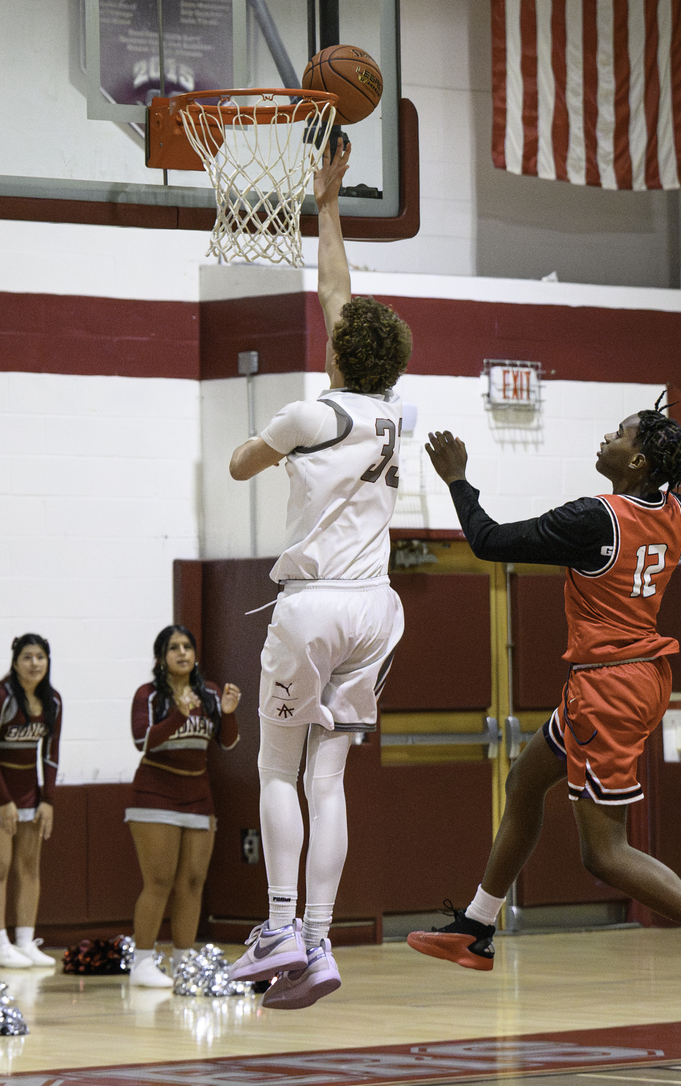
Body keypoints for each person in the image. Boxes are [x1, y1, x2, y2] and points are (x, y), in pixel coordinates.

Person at [409, 405, 681, 1036]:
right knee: (526, 782)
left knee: (603, 854)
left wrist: (457, 478)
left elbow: (487, 541)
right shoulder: (675, 514)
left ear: (637, 460)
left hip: (608, 689)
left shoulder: (594, 519)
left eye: (618, 434)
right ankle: (476, 927)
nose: (606, 437)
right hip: (630, 676)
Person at [224, 142, 413, 1010]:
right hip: (379, 609)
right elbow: (341, 295)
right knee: (328, 778)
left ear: (337, 351)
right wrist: (326, 207)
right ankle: (323, 940)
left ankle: (278, 927)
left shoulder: (310, 412)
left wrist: (265, 445)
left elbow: (236, 465)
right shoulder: (397, 413)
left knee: (276, 768)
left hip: (312, 607)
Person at [125, 625, 240, 988]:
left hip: (198, 796)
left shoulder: (210, 692)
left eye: (187, 646)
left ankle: (184, 961)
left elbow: (227, 742)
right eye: (173, 648)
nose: (182, 653)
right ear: (161, 658)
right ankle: (142, 962)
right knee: (159, 881)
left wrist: (229, 712)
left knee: (193, 881)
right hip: (155, 794)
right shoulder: (148, 694)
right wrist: (176, 713)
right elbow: (142, 740)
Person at [0, 634, 62, 969]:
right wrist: (3, 800)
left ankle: (24, 941)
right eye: (27, 657)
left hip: (29, 794)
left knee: (29, 868)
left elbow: (51, 755)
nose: (34, 663)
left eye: (40, 657)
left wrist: (47, 799)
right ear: (15, 661)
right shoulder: (0, 696)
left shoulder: (54, 701)